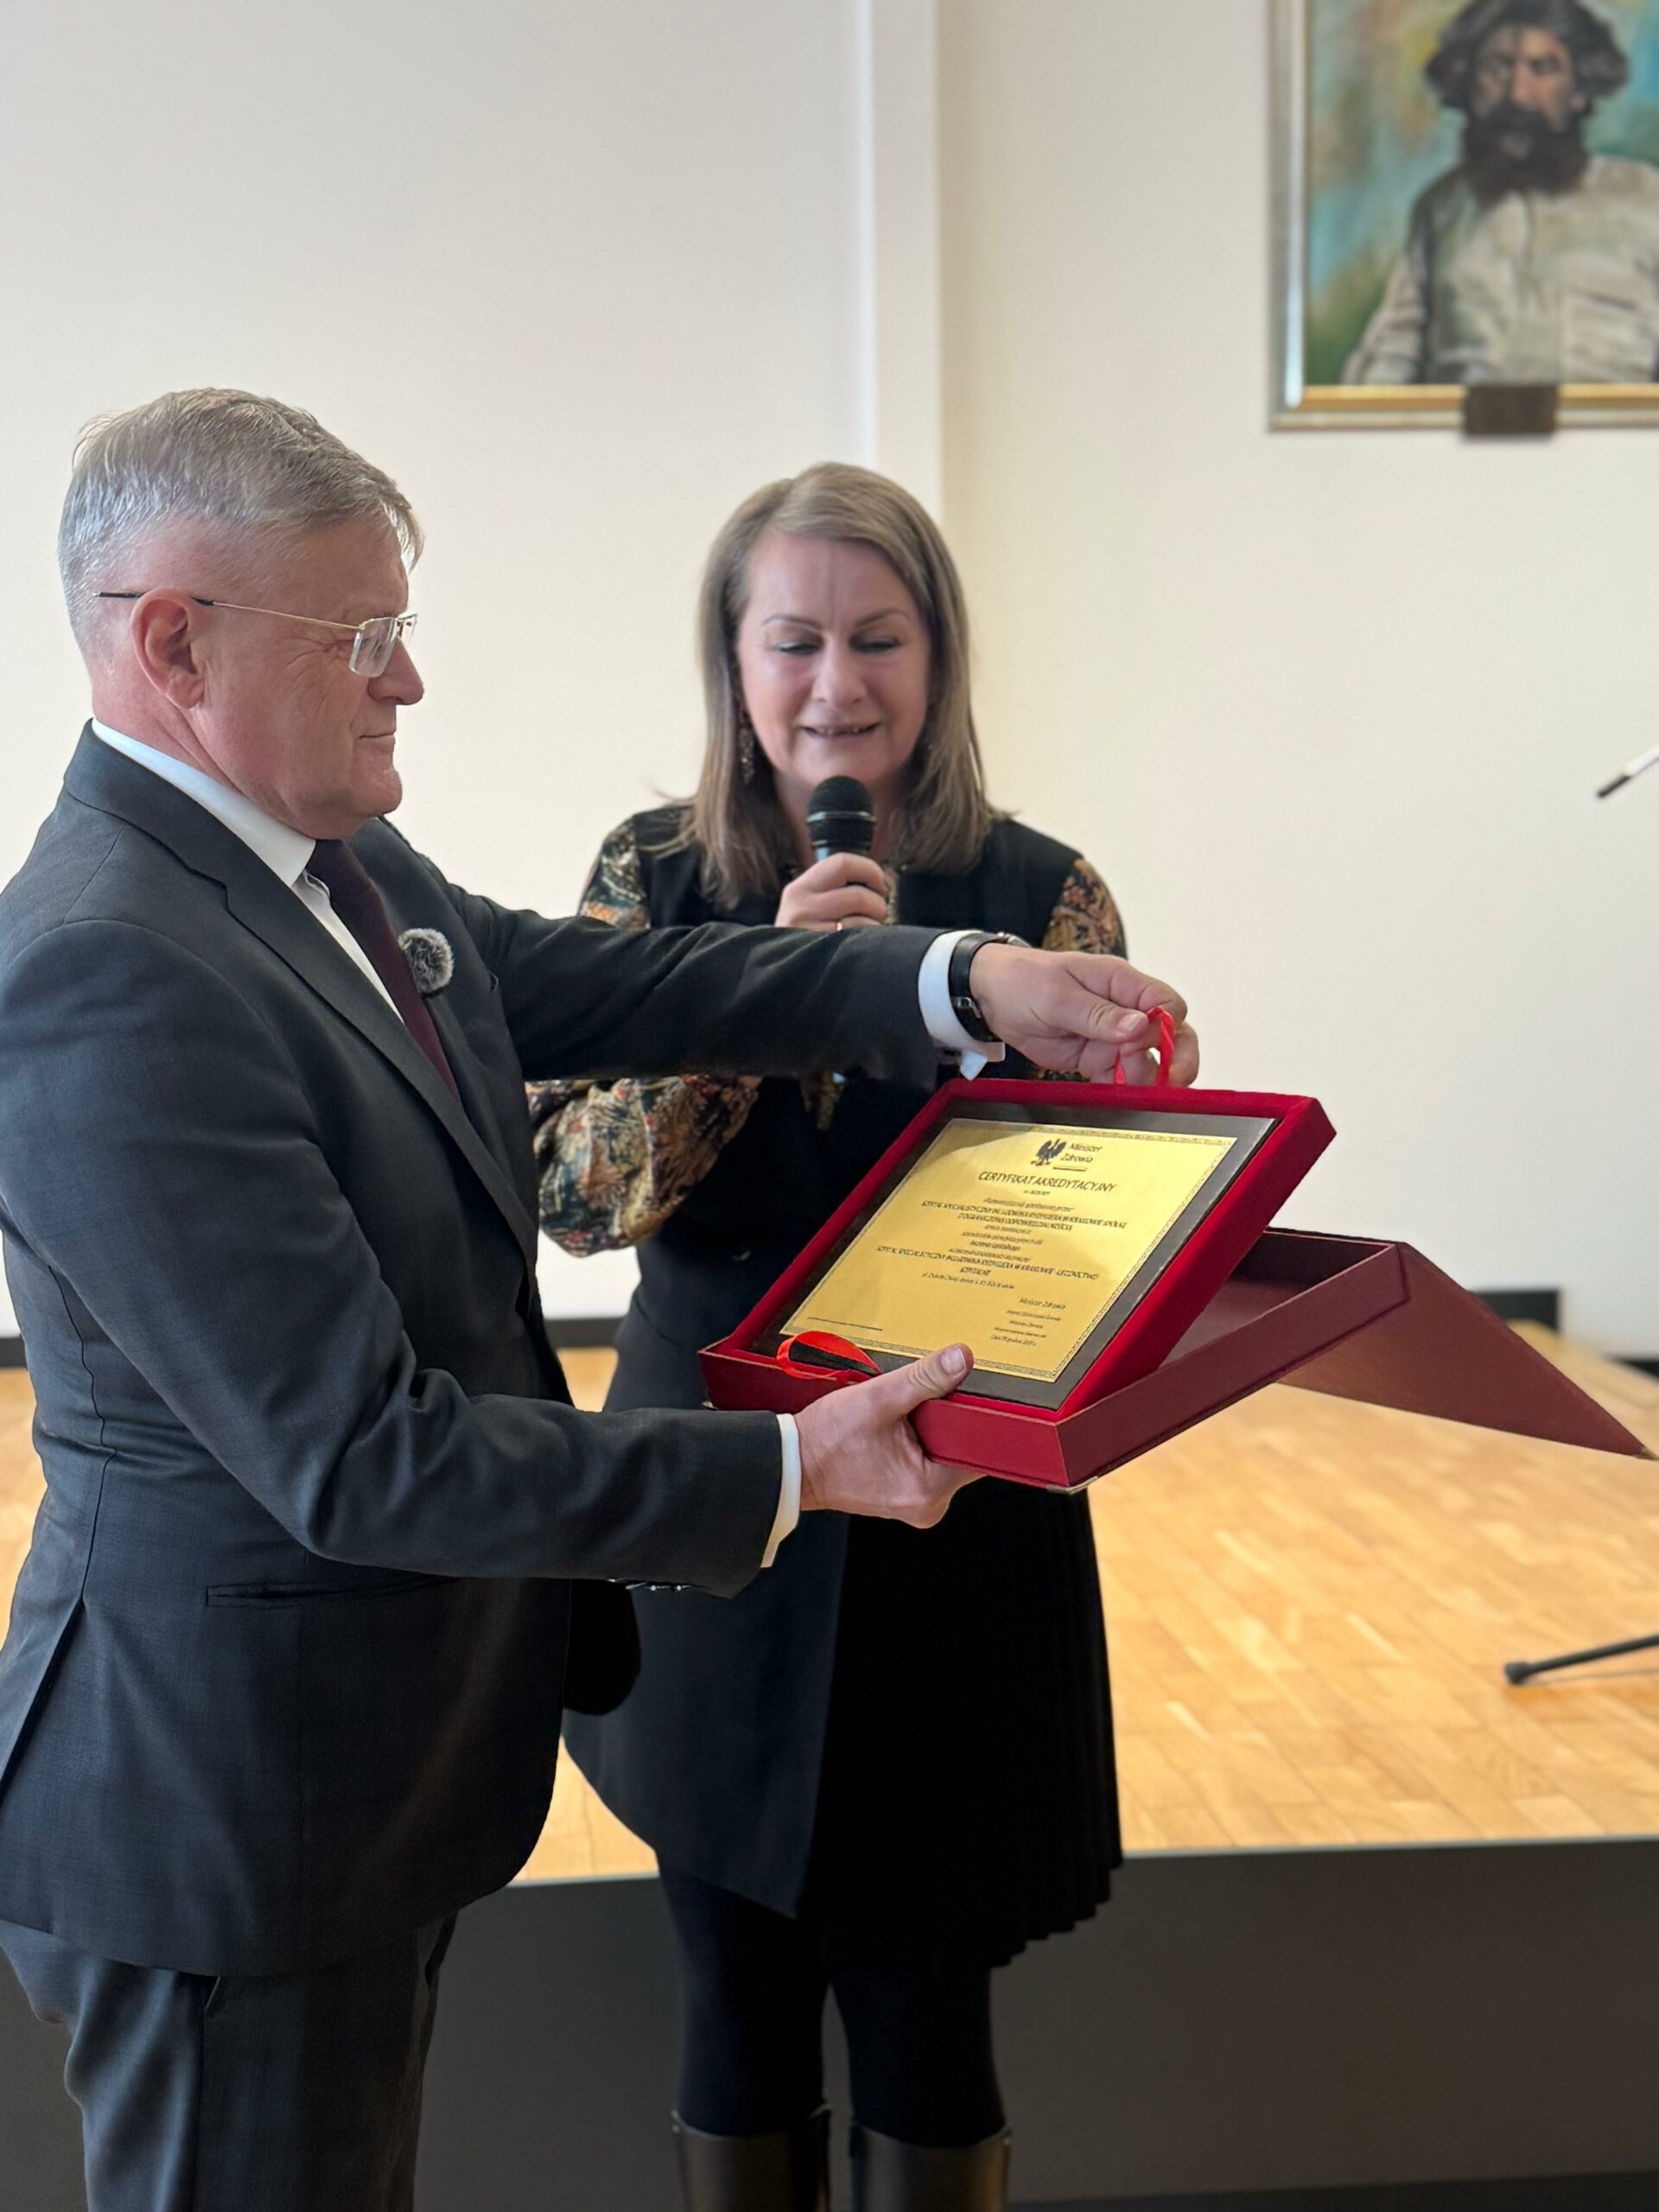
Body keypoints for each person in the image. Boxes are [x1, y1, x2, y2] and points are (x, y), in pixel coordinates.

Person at [0, 393, 1198, 2212]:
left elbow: (626, 983)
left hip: (342, 1781)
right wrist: (788, 1464)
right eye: (361, 637)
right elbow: (363, 1456)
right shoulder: (110, 963)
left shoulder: (326, 866)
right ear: (174, 642)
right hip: (226, 1805)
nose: (408, 681)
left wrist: (959, 978)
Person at [534, 464, 1141, 2212]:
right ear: (731, 662)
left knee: (932, 2004)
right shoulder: (652, 876)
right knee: (731, 1995)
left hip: (959, 1498)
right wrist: (762, 1001)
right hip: (717, 1488)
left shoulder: (1045, 892)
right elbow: (574, 1191)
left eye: (879, 638)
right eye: (792, 640)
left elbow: (1100, 1206)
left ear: (938, 655)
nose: (835, 685)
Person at [1344, 0, 1659, 385]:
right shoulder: (1442, 208)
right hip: (1464, 425)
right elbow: (1393, 352)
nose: (1518, 94)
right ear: (1468, 84)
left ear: (1579, 89)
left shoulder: (1645, 198)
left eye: (1542, 69)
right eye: (1498, 68)